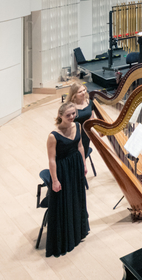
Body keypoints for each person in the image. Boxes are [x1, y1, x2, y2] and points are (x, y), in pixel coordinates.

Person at [46, 103, 89, 257]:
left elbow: (80, 146)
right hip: (63, 170)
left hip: (76, 166)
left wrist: (84, 164)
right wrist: (55, 180)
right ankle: (66, 239)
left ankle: (78, 233)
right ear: (60, 115)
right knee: (65, 202)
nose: (71, 117)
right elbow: (51, 160)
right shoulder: (53, 136)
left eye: (73, 114)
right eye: (68, 115)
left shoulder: (77, 126)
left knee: (77, 199)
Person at [66, 83, 92, 158]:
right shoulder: (69, 107)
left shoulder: (89, 102)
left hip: (86, 134)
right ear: (74, 95)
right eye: (80, 92)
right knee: (75, 157)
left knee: (84, 155)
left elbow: (92, 118)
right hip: (74, 135)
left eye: (84, 90)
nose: (83, 92)